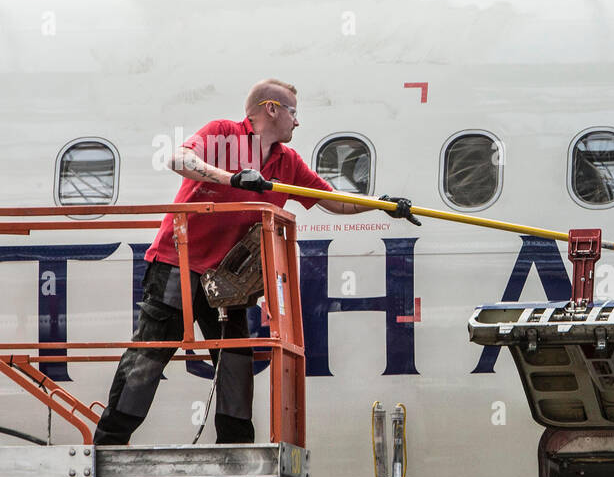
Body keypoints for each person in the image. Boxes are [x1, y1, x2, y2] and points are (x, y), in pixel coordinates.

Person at [93, 78, 417, 445]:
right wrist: (232, 178)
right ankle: (110, 442)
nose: (297, 122)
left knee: (235, 359)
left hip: (226, 279)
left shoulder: (287, 162)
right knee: (150, 353)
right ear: (271, 109)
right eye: (294, 112)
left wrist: (384, 204)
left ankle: (234, 444)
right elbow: (178, 159)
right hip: (177, 265)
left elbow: (333, 201)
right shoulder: (222, 134)